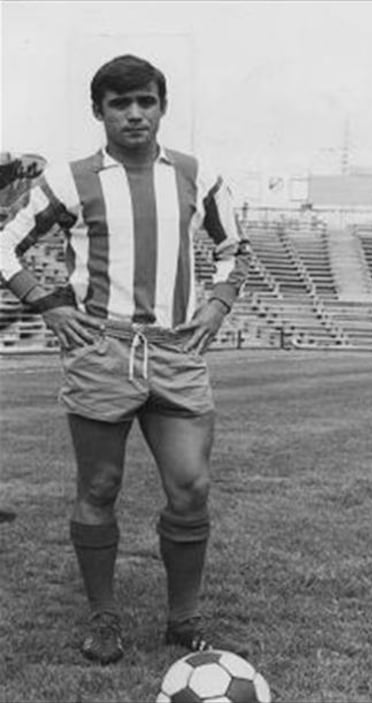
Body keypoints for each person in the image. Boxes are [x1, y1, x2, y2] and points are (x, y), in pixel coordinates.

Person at [0, 55, 251, 665]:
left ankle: (183, 620)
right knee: (100, 485)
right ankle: (104, 617)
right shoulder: (70, 179)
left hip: (176, 350)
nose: (134, 114)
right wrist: (49, 304)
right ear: (99, 111)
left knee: (191, 488)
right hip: (102, 350)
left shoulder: (198, 175)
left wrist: (216, 306)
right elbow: (5, 242)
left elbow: (234, 249)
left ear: (162, 106)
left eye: (145, 101)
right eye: (120, 103)